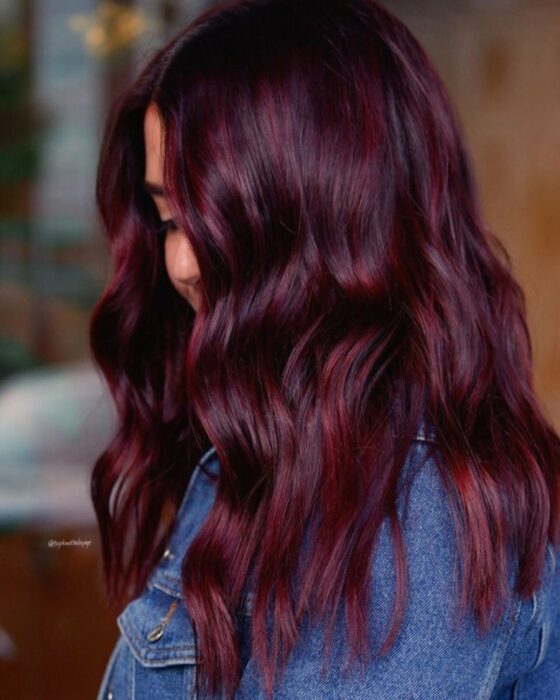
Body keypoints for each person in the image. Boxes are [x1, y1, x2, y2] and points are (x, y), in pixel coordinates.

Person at [90, 0, 560, 698]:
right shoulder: (281, 458)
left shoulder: (409, 514)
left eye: (215, 217)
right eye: (167, 220)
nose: (181, 264)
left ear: (329, 219)